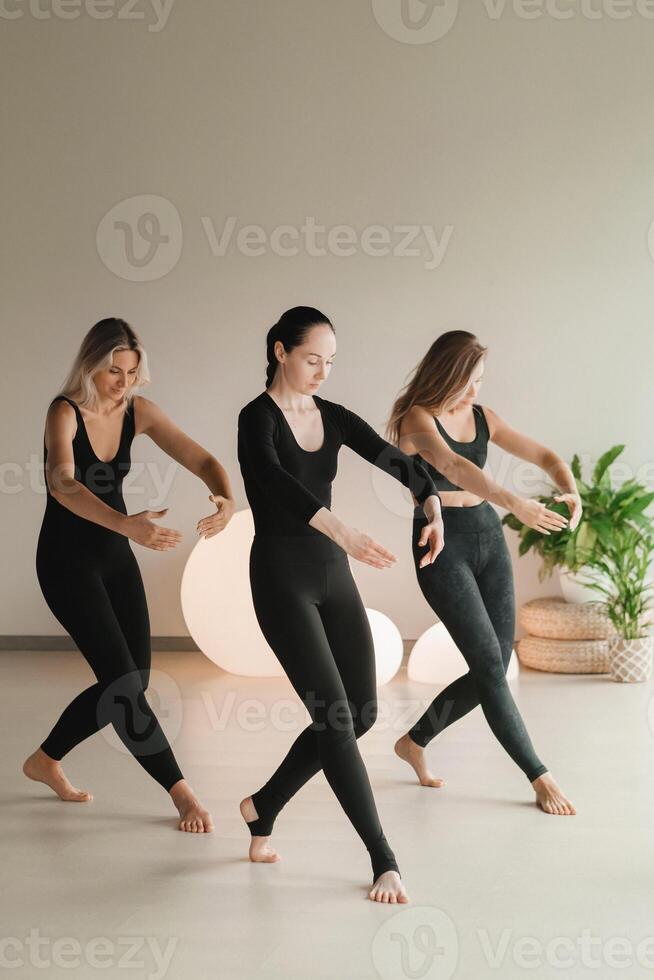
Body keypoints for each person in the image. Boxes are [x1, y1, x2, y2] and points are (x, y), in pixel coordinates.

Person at [237, 307, 444, 903]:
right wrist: (346, 534)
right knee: (333, 716)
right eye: (311, 359)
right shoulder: (257, 420)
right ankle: (384, 859)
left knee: (361, 712)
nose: (322, 372)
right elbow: (276, 483)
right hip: (281, 577)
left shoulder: (332, 416)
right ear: (280, 351)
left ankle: (263, 806)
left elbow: (395, 459)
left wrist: (428, 503)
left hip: (332, 575)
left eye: (330, 362)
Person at [24, 317, 235, 833]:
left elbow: (201, 457)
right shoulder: (64, 412)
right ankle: (182, 793)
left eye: (131, 372)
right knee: (123, 687)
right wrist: (127, 525)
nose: (122, 382)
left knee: (132, 679)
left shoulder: (138, 412)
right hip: (65, 562)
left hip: (116, 554)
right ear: (91, 366)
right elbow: (62, 484)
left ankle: (45, 760)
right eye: (112, 371)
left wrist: (226, 497)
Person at [388, 330, 578, 816]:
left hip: (488, 538)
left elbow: (545, 456)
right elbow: (452, 463)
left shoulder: (483, 417)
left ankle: (415, 741)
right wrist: (517, 501)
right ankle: (540, 774)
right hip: (441, 544)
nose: (475, 393)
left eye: (480, 382)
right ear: (446, 374)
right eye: (468, 382)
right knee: (491, 668)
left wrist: (569, 488)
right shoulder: (416, 418)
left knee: (494, 662)